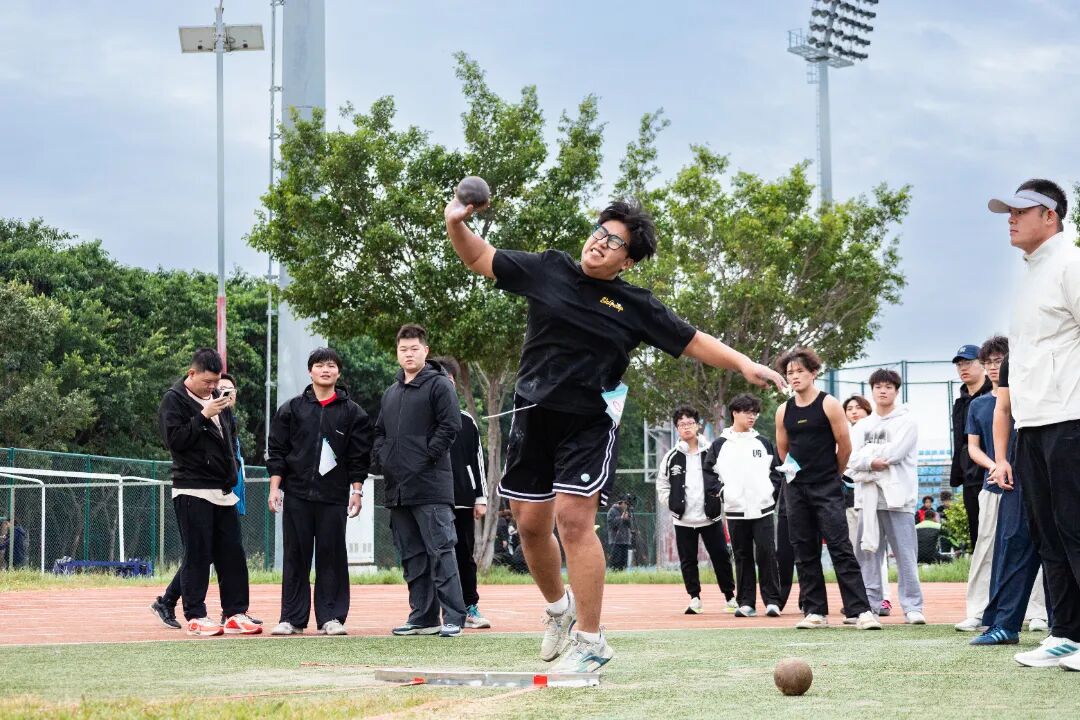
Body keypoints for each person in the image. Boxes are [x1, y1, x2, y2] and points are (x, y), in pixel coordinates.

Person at [444, 193, 785, 672]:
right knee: (530, 525)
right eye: (599, 233)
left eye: (614, 242)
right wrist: (456, 223)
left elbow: (693, 341)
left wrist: (746, 364)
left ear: (627, 261)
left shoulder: (635, 305)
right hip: (532, 415)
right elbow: (479, 257)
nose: (600, 243)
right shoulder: (549, 269)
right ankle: (559, 609)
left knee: (573, 520)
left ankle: (591, 640)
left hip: (588, 422)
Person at [987, 178, 1080, 668]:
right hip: (1034, 424)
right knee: (1049, 534)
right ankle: (1066, 634)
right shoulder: (1031, 274)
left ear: (1051, 216)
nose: (1011, 218)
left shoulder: (1071, 264)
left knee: (1076, 529)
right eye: (1009, 211)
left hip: (1071, 419)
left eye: (1021, 211)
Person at [266, 348, 373, 636]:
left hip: (333, 497)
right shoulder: (291, 409)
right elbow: (277, 451)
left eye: (331, 365)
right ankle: (292, 619)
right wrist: (275, 488)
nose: (325, 370)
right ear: (310, 371)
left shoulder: (353, 413)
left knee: (332, 557)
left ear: (339, 372)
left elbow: (359, 457)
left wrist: (357, 491)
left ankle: (331, 617)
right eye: (319, 365)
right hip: (297, 494)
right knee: (295, 556)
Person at [774, 347, 879, 630]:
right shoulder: (784, 410)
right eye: (790, 373)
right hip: (796, 489)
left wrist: (833, 474)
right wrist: (796, 474)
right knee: (804, 549)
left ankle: (860, 611)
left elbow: (844, 446)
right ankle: (815, 611)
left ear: (813, 373)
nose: (794, 376)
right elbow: (783, 449)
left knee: (840, 547)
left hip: (827, 486)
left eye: (800, 371)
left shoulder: (829, 404)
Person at [157, 348, 259, 636]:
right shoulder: (174, 399)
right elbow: (175, 440)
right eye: (208, 381)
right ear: (192, 373)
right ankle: (196, 615)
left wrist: (232, 471)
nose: (213, 387)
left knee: (232, 553)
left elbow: (228, 440)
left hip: (223, 489)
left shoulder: (218, 400)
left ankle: (235, 613)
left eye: (216, 381)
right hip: (192, 488)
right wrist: (203, 415)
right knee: (198, 554)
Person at [373, 324, 465, 638]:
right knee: (412, 555)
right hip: (398, 488)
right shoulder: (391, 392)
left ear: (425, 350)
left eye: (414, 349)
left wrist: (424, 457)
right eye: (403, 349)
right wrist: (385, 458)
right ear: (397, 353)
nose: (409, 354)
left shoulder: (439, 385)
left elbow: (450, 426)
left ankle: (454, 617)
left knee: (441, 550)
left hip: (431, 486)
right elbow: (380, 433)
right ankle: (423, 617)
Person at [966, 342, 1048, 646]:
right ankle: (1004, 623)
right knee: (1013, 541)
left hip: (1061, 452)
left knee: (1062, 543)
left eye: (996, 360)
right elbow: (1002, 409)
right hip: (1019, 461)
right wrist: (1000, 460)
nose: (993, 365)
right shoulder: (1019, 360)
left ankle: (1061, 626)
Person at [847, 368, 926, 625]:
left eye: (888, 387)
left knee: (905, 555)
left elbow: (895, 454)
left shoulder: (907, 421)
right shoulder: (862, 425)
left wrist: (866, 458)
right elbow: (851, 459)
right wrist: (871, 461)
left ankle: (912, 606)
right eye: (878, 387)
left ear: (896, 390)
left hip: (898, 499)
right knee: (868, 555)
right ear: (872, 391)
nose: (883, 391)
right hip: (867, 500)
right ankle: (869, 605)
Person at [704, 394, 782, 617]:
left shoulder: (763, 442)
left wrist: (769, 494)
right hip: (735, 510)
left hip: (763, 509)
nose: (752, 416)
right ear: (734, 413)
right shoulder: (720, 445)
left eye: (755, 412)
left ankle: (772, 601)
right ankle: (746, 602)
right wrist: (725, 494)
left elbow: (776, 473)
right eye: (747, 412)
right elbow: (709, 474)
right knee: (742, 555)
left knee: (767, 553)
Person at [656, 405, 737, 614]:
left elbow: (725, 477)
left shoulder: (711, 452)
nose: (686, 427)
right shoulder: (671, 457)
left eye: (690, 423)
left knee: (721, 557)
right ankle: (694, 598)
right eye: (681, 424)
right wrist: (672, 502)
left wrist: (720, 498)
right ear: (676, 428)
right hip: (683, 519)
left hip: (710, 517)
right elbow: (662, 484)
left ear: (698, 425)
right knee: (688, 561)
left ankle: (730, 597)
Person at [430, 355, 491, 630]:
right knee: (431, 556)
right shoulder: (421, 418)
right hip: (430, 499)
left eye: (449, 379)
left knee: (464, 555)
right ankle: (429, 613)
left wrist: (480, 498)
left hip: (463, 501)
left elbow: (477, 460)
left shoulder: (467, 421)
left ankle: (469, 607)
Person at [843, 394, 893, 617]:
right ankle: (862, 598)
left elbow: (875, 465)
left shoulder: (877, 432)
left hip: (878, 498)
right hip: (851, 500)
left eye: (858, 407)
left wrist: (862, 468)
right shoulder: (845, 435)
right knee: (859, 552)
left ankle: (884, 598)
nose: (853, 411)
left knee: (876, 550)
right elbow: (848, 466)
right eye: (849, 408)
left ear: (867, 409)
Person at [949, 344, 993, 551]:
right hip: (970, 476)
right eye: (959, 364)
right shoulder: (960, 403)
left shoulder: (996, 396)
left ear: (982, 364)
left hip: (993, 472)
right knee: (977, 530)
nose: (963, 368)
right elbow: (960, 442)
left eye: (968, 362)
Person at [606, 497, 636, 570]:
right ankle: (614, 573)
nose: (626, 505)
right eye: (625, 503)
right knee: (616, 561)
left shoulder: (627, 511)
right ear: (621, 503)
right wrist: (621, 518)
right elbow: (611, 524)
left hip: (625, 540)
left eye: (627, 504)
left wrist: (628, 519)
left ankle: (623, 573)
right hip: (615, 540)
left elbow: (631, 525)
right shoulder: (612, 511)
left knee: (624, 561)